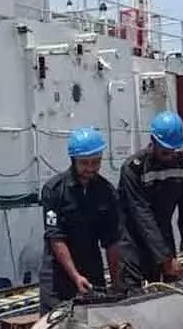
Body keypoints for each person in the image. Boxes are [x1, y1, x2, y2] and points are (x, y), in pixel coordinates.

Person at [37, 126, 123, 315]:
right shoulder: (54, 190)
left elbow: (112, 241)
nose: (91, 169)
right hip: (58, 277)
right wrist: (75, 276)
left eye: (96, 162)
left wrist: (116, 282)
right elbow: (56, 239)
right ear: (73, 160)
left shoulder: (106, 192)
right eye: (85, 163)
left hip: (92, 272)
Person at [116, 110, 183, 291]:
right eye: (165, 151)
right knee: (132, 293)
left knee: (168, 289)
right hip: (133, 242)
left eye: (173, 150)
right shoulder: (133, 169)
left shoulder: (181, 164)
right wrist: (165, 259)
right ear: (153, 141)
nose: (170, 155)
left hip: (162, 235)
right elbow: (142, 215)